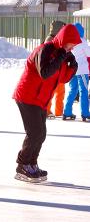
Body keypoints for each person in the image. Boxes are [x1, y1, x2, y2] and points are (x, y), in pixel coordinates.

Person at [12, 24, 81, 182]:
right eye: (70, 43)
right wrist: (61, 56)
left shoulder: (61, 54)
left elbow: (61, 79)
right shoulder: (45, 50)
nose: (72, 47)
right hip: (27, 96)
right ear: (64, 39)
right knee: (35, 133)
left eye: (74, 45)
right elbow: (45, 72)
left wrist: (72, 67)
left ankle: (31, 164)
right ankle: (22, 165)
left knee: (41, 134)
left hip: (41, 99)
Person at [63, 23, 90, 122]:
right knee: (84, 91)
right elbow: (88, 53)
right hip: (82, 69)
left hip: (73, 70)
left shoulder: (70, 40)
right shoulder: (82, 41)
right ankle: (85, 113)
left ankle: (67, 112)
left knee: (73, 90)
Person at [45, 20, 66, 118]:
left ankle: (59, 111)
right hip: (52, 70)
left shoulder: (59, 39)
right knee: (50, 92)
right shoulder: (50, 40)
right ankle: (47, 111)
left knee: (60, 92)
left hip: (59, 70)